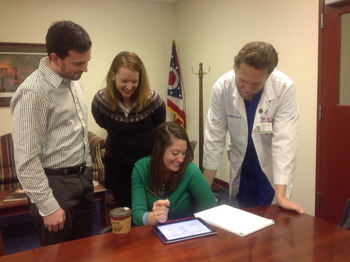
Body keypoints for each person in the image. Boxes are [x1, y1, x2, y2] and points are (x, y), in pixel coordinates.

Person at [11, 20, 94, 246]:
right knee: (58, 254)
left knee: (85, 249)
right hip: (54, 185)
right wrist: (47, 206)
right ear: (55, 58)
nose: (85, 68)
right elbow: (26, 160)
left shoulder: (74, 82)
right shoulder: (33, 92)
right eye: (79, 62)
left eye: (87, 60)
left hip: (82, 179)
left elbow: (76, 132)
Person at [203, 41, 305, 214]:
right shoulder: (222, 88)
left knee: (273, 221)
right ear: (234, 68)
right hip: (243, 166)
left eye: (256, 84)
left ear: (268, 77)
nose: (248, 89)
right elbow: (214, 138)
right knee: (245, 218)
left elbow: (285, 142)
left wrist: (281, 195)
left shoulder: (284, 88)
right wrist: (204, 191)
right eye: (242, 81)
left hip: (270, 168)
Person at [91, 51, 166, 208]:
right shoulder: (100, 101)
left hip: (146, 164)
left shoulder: (153, 101)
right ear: (113, 76)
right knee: (123, 207)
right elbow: (102, 123)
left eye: (134, 81)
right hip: (117, 164)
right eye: (124, 81)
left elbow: (159, 129)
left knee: (147, 208)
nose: (129, 87)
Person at [132, 121, 217, 226]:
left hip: (187, 233)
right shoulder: (141, 168)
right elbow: (137, 215)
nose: (181, 159)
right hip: (152, 234)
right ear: (159, 150)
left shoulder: (191, 171)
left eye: (184, 153)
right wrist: (153, 217)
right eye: (175, 153)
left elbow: (212, 211)